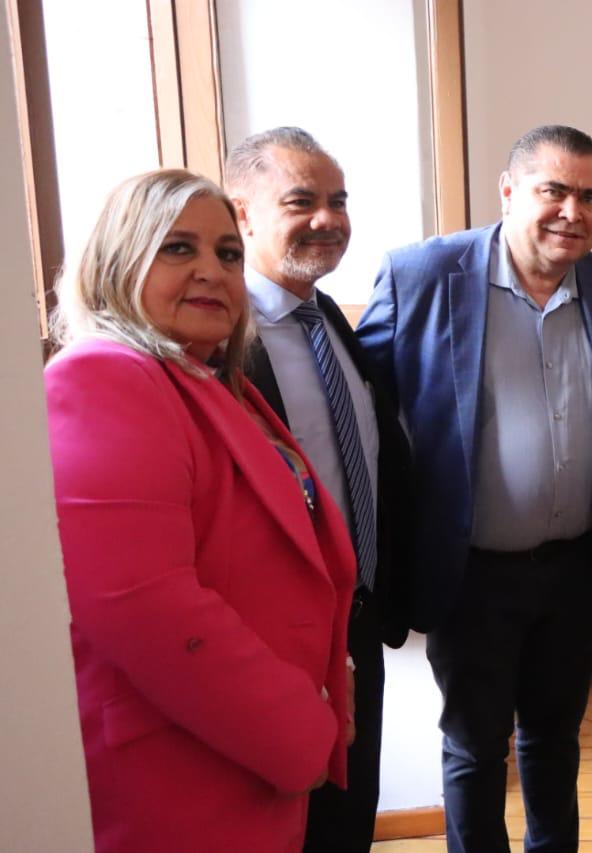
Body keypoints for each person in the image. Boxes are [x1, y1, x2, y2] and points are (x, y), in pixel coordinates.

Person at [44, 169, 354, 852]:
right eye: (178, 248)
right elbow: (142, 605)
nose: (213, 270)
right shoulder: (102, 377)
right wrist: (297, 727)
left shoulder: (210, 381)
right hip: (178, 767)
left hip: (239, 754)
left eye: (229, 253)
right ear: (118, 260)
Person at [357, 124, 592, 851]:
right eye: (555, 191)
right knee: (476, 747)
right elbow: (363, 409)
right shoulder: (423, 275)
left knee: (554, 738)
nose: (573, 211)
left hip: (579, 568)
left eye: (590, 196)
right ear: (509, 190)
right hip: (471, 572)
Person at [225, 126, 415, 852]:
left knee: (348, 815)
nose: (328, 219)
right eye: (301, 201)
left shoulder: (328, 315)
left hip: (355, 619)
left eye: (339, 201)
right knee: (280, 823)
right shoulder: (217, 343)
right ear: (242, 214)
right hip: (272, 634)